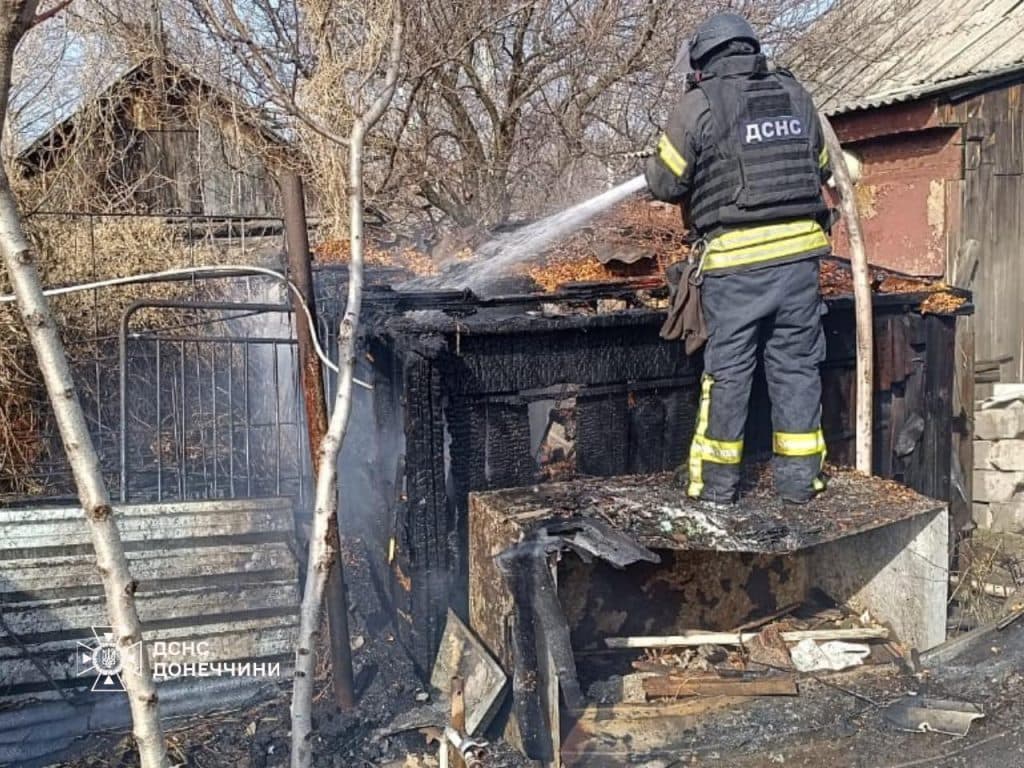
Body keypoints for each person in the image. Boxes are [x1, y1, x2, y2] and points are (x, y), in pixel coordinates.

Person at [645, 12, 832, 507]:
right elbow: (821, 167)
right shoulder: (795, 95)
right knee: (796, 369)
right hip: (800, 263)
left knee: (728, 374)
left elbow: (665, 182)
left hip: (735, 266)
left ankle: (715, 487)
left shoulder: (698, 104)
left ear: (703, 60)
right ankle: (800, 484)